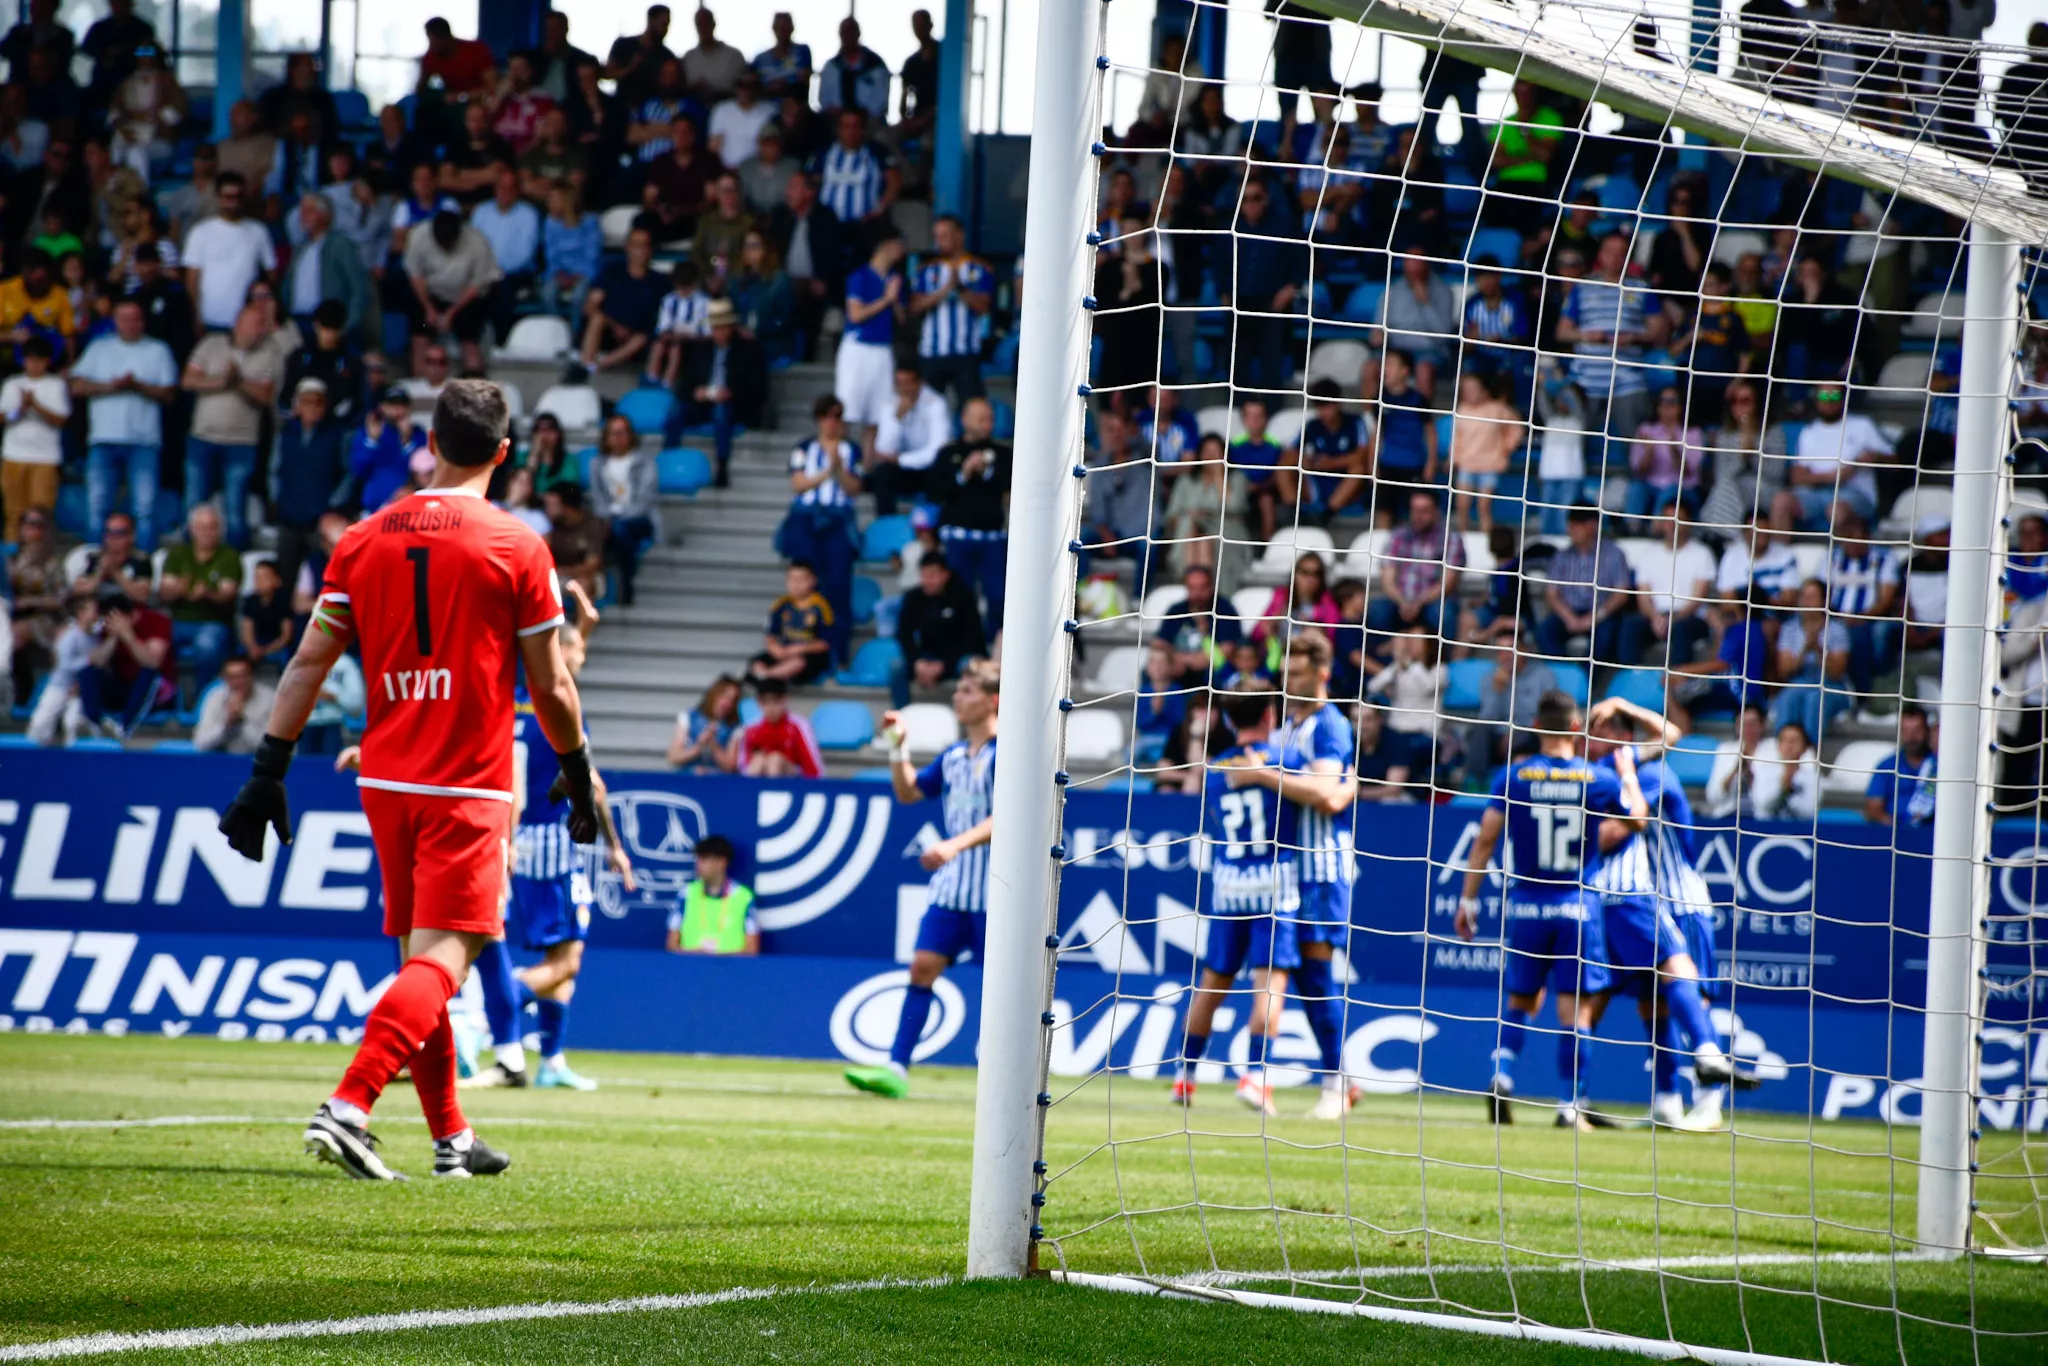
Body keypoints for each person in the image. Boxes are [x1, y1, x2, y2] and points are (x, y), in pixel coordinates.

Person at [217, 380, 602, 1181]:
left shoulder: (362, 538)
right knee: (446, 961)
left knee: (416, 962)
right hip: (468, 781)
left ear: (429, 440)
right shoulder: (517, 544)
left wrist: (268, 771)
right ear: (504, 453)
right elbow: (552, 686)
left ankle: (450, 1137)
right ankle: (349, 1105)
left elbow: (308, 663)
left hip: (388, 780)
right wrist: (574, 767)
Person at [1456, 691, 1645, 1130]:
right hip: (1576, 905)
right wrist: (1629, 775)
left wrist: (1468, 899)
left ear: (1537, 727)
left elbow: (1485, 839)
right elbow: (1637, 820)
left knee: (1521, 998)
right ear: (1576, 729)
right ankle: (1568, 1105)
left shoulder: (1512, 777)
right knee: (1574, 1010)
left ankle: (1501, 1073)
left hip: (1526, 904)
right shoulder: (1597, 779)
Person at [1584, 697, 1749, 1131]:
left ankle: (1711, 1104)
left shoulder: (1651, 774)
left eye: (1602, 730)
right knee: (1651, 1005)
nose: (1593, 738)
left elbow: (1619, 829)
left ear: (1625, 736)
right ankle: (1666, 1101)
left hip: (1679, 900)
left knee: (1695, 994)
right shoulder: (1609, 778)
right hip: (1648, 900)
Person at [845, 663, 1000, 1099]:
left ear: (993, 700)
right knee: (922, 968)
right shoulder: (953, 756)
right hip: (952, 891)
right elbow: (909, 792)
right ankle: (896, 1067)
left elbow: (1009, 813)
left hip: (1000, 894)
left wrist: (954, 845)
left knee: (1003, 988)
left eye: (967, 690)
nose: (957, 697)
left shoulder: (1007, 752)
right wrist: (898, 750)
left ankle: (1006, 1066)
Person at [1223, 630, 1360, 1118]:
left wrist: (1263, 775)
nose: (1290, 680)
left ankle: (1334, 1086)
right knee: (1300, 977)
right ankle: (1337, 1078)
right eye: (1288, 672)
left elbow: (1327, 793)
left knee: (1317, 976)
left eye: (1299, 672)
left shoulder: (1330, 726)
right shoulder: (1286, 729)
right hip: (1286, 872)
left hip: (1320, 867)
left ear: (1323, 673)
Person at [1168, 685, 1299, 1115]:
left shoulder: (1214, 768)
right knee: (1269, 980)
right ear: (1269, 715)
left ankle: (1184, 1077)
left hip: (1228, 884)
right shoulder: (1285, 760)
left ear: (1226, 720)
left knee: (1212, 981)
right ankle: (1255, 1076)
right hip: (1274, 880)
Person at [71, 299, 177, 552]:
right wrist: (111, 386)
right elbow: (76, 386)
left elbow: (169, 394)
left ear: (142, 321)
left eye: (135, 318)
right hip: (103, 439)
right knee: (97, 505)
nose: (130, 323)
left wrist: (137, 386)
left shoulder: (157, 350)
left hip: (144, 441)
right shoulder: (99, 348)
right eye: (124, 318)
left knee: (145, 508)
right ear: (115, 321)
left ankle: (143, 567)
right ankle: (94, 564)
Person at [181, 305, 281, 549]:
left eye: (262, 325)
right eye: (255, 323)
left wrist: (239, 381)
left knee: (235, 508)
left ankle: (236, 567)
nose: (260, 330)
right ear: (238, 323)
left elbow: (266, 396)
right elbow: (187, 380)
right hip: (202, 438)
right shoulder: (212, 343)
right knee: (194, 505)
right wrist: (221, 381)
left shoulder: (270, 352)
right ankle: (186, 563)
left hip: (241, 442)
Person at [777, 395, 863, 659]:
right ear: (819, 419)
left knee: (838, 584)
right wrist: (828, 472)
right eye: (828, 416)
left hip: (837, 519)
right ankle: (800, 646)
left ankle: (837, 651)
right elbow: (798, 484)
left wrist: (839, 470)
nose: (833, 423)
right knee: (805, 584)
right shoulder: (804, 447)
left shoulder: (852, 450)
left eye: (838, 417)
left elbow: (855, 488)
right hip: (806, 519)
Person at [928, 396, 1011, 631]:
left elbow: (1008, 487)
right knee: (958, 599)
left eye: (990, 419)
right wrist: (963, 473)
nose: (987, 424)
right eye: (981, 418)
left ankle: (995, 652)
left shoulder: (1003, 454)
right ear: (965, 420)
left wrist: (986, 472)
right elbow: (936, 491)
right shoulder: (948, 453)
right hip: (957, 539)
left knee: (998, 598)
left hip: (992, 539)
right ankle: (962, 653)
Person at [675, 297, 766, 486]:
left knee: (721, 413)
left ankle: (722, 466)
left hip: (734, 405)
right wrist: (696, 393)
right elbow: (684, 386)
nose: (719, 333)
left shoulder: (749, 350)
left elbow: (757, 388)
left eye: (723, 328)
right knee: (675, 415)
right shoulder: (699, 350)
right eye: (715, 328)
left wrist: (731, 393)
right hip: (702, 403)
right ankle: (670, 459)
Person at [157, 503, 243, 688]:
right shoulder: (178, 554)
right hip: (178, 621)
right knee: (155, 641)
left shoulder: (229, 556)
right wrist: (179, 590)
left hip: (214, 622)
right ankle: (164, 695)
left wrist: (207, 593)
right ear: (192, 529)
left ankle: (204, 700)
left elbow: (227, 595)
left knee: (207, 644)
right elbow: (163, 592)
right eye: (202, 527)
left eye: (212, 527)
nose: (207, 532)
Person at [404, 210, 499, 375]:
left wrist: (452, 313)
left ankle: (473, 386)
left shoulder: (477, 242)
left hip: (465, 300)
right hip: (429, 296)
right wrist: (429, 309)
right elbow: (416, 275)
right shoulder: (418, 236)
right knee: (420, 337)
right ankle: (420, 384)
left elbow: (477, 284)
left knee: (469, 341)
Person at [910, 214, 990, 405]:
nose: (939, 241)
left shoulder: (979, 269)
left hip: (966, 351)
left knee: (972, 406)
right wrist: (944, 291)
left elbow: (984, 307)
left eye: (944, 235)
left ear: (959, 236)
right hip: (932, 352)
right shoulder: (926, 270)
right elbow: (915, 306)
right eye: (937, 236)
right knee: (928, 408)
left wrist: (961, 288)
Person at [837, 228, 907, 447]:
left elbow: (902, 319)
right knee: (848, 410)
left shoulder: (896, 279)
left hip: (882, 349)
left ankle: (868, 469)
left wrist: (894, 299)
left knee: (877, 416)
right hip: (858, 348)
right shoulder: (860, 276)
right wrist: (885, 300)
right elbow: (855, 314)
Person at [182, 172, 276, 335]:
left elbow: (272, 275)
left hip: (249, 320)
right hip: (210, 319)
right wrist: (195, 316)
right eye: (228, 197)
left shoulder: (258, 231)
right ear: (218, 198)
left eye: (238, 197)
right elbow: (192, 280)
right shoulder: (200, 231)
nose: (233, 202)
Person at [587, 414, 660, 606]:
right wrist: (608, 517)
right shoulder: (597, 464)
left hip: (639, 519)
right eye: (613, 433)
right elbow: (598, 499)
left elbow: (644, 501)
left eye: (622, 432)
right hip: (608, 519)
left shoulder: (645, 462)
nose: (618, 438)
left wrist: (617, 518)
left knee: (620, 529)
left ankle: (623, 584)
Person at [0, 335, 67, 540]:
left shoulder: (56, 385)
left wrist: (35, 405)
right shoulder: (13, 383)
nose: (34, 364)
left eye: (39, 360)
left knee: (41, 515)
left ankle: (39, 561)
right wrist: (19, 410)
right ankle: (11, 561)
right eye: (30, 359)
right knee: (13, 514)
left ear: (47, 361)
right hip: (14, 456)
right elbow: (3, 417)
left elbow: (60, 420)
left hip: (45, 458)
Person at [896, 551, 986, 697]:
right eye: (924, 575)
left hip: (957, 657)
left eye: (932, 575)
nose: (928, 580)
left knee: (969, 666)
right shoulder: (913, 598)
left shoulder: (963, 598)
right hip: (928, 655)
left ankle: (964, 714)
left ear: (945, 575)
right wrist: (917, 661)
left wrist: (944, 665)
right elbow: (904, 634)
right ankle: (900, 714)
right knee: (897, 668)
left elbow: (972, 639)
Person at [470, 169, 542, 346]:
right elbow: (473, 246)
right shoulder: (481, 212)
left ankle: (500, 343)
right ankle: (471, 343)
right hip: (484, 272)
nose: (505, 192)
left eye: (511, 188)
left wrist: (496, 272)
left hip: (515, 274)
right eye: (502, 187)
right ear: (495, 189)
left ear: (517, 191)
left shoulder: (529, 214)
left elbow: (525, 254)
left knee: (502, 288)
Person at [581, 226, 666, 373]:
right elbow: (590, 306)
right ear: (628, 247)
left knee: (643, 337)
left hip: (636, 337)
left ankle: (601, 365)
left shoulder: (660, 281)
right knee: (597, 319)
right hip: (609, 331)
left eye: (645, 245)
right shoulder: (611, 272)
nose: (641, 250)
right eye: (636, 245)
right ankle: (585, 366)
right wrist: (614, 326)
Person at [667, 835, 758, 954]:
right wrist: (694, 955)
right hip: (690, 968)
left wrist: (720, 961)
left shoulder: (744, 897)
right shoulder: (686, 894)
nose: (698, 864)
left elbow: (752, 950)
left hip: (732, 971)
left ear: (721, 863)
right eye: (698, 859)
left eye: (704, 859)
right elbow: (671, 945)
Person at [749, 560, 835, 684]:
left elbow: (824, 643)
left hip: (808, 654)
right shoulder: (781, 605)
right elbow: (771, 636)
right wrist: (775, 649)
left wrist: (798, 649)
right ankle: (767, 676)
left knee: (799, 663)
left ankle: (768, 676)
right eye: (792, 580)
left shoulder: (821, 607)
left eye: (801, 580)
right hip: (784, 651)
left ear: (813, 581)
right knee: (757, 661)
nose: (796, 584)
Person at [349, 385, 428, 513]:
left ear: (409, 408)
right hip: (374, 508)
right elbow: (358, 471)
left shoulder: (418, 434)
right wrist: (372, 441)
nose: (397, 410)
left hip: (408, 509)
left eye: (401, 405)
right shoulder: (366, 433)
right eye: (392, 405)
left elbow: (421, 475)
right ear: (382, 407)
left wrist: (407, 442)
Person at [1865, 702, 1938, 828]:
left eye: (1917, 731)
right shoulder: (1887, 766)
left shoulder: (1938, 765)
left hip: (1932, 832)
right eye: (1907, 731)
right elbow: (1873, 807)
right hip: (1894, 833)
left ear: (1927, 732)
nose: (1912, 737)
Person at [540, 181, 602, 323]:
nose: (549, 203)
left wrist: (577, 275)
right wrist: (560, 274)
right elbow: (551, 255)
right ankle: (556, 332)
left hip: (585, 273)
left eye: (554, 199)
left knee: (578, 297)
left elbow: (592, 255)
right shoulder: (550, 223)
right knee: (547, 294)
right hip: (560, 273)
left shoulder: (589, 222)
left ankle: (574, 338)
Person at [736, 674, 823, 777]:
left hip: (793, 780)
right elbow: (744, 767)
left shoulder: (799, 725)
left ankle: (774, 790)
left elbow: (814, 768)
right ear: (759, 702)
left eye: (775, 701)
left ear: (785, 700)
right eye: (766, 702)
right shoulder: (751, 728)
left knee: (775, 760)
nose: (771, 708)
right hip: (760, 775)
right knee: (758, 760)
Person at [193, 654, 276, 753]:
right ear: (224, 678)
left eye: (242, 676)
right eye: (232, 677)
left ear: (252, 676)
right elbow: (200, 743)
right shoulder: (214, 697)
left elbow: (271, 748)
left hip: (257, 762)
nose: (237, 682)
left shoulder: (270, 700)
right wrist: (227, 726)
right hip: (221, 762)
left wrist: (241, 721)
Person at [647, 261, 712, 388]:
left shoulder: (704, 301)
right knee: (658, 345)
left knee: (676, 349)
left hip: (696, 341)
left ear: (694, 283)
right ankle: (651, 377)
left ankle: (668, 382)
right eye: (679, 286)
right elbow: (663, 326)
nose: (682, 291)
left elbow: (707, 331)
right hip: (673, 338)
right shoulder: (669, 300)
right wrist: (668, 335)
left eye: (686, 286)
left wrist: (688, 336)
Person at [667, 674, 743, 773]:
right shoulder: (688, 717)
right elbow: (673, 757)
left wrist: (712, 744)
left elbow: (730, 766)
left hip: (718, 782)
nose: (727, 703)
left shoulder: (735, 727)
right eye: (725, 696)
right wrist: (698, 747)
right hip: (689, 778)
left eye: (733, 700)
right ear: (714, 694)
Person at [1750, 720, 1820, 822]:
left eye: (1794, 740)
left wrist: (1790, 791)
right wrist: (1783, 787)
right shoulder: (1764, 770)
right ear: (1778, 745)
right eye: (1785, 740)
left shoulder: (1812, 777)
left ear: (1805, 747)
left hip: (1799, 832)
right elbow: (1762, 804)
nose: (1789, 745)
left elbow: (1809, 811)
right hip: (1766, 830)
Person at [239, 556, 295, 671]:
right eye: (256, 577)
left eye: (265, 577)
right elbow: (247, 631)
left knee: (287, 657)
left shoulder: (284, 600)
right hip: (257, 642)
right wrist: (253, 647)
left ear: (277, 580)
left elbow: (286, 635)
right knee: (238, 656)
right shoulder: (250, 601)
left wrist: (267, 650)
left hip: (278, 645)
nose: (259, 582)